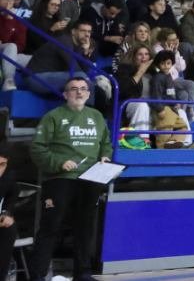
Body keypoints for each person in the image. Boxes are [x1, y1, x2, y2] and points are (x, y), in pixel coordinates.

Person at [29, 76, 112, 281]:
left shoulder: (97, 116)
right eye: (74, 89)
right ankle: (38, 276)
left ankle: (83, 274)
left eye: (83, 88)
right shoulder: (53, 117)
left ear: (89, 94)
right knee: (51, 227)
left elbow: (106, 143)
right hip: (61, 178)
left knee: (85, 228)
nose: (79, 92)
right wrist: (59, 162)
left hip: (90, 178)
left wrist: (105, 156)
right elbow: (37, 149)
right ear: (65, 94)